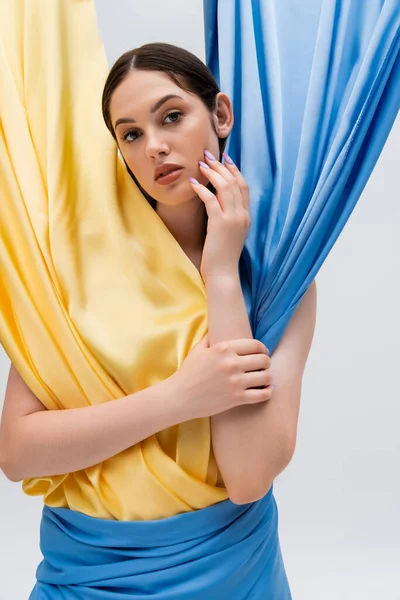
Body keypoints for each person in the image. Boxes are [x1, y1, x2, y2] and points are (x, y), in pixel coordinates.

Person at [1, 40, 316, 598]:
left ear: (219, 114)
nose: (155, 147)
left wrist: (220, 274)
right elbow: (17, 453)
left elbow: (247, 477)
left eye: (172, 116)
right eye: (131, 134)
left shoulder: (277, 276)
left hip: (233, 571)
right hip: (89, 574)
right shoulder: (75, 270)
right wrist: (181, 398)